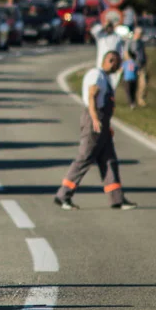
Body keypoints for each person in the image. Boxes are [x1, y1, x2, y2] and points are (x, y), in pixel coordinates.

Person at [54, 51, 137, 211]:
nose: (119, 66)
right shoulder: (96, 75)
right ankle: (63, 195)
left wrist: (106, 126)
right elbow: (92, 95)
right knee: (84, 158)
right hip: (94, 121)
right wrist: (95, 119)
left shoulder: (104, 77)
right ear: (110, 60)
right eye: (118, 63)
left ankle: (117, 199)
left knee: (109, 160)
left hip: (101, 124)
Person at [128, 27, 148, 107]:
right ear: (136, 33)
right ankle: (133, 101)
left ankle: (141, 100)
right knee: (132, 84)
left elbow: (143, 53)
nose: (141, 35)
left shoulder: (141, 43)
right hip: (132, 66)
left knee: (143, 83)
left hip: (141, 66)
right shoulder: (130, 42)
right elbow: (126, 53)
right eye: (140, 34)